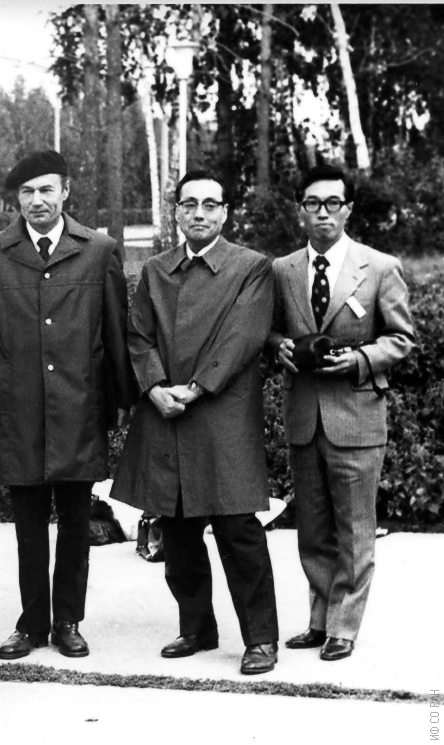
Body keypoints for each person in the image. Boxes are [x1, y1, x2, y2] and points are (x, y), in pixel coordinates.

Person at [0, 150, 137, 661]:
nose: (37, 200)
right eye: (27, 192)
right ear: (16, 200)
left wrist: (121, 400)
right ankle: (31, 624)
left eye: (46, 189)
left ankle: (68, 622)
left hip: (80, 408)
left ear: (65, 192)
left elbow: (116, 332)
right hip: (20, 411)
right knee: (27, 527)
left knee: (76, 525)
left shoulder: (99, 251)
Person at [111, 170, 280, 675]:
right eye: (189, 204)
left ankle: (261, 639)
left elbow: (243, 336)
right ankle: (197, 627)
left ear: (225, 213)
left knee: (238, 530)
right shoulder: (156, 270)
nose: (199, 213)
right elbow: (137, 336)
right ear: (177, 212)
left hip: (223, 417)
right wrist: (155, 387)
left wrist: (197, 387)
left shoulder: (251, 267)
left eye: (210, 204)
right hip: (167, 415)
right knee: (178, 532)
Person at [268, 164, 414, 661]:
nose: (323, 213)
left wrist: (360, 359)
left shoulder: (380, 267)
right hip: (304, 417)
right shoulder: (283, 269)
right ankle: (319, 620)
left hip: (356, 417)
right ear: (300, 210)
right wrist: (279, 346)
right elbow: (269, 331)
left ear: (348, 209)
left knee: (354, 530)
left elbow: (401, 339)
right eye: (313, 203)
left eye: (333, 203)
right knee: (313, 529)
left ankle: (344, 627)